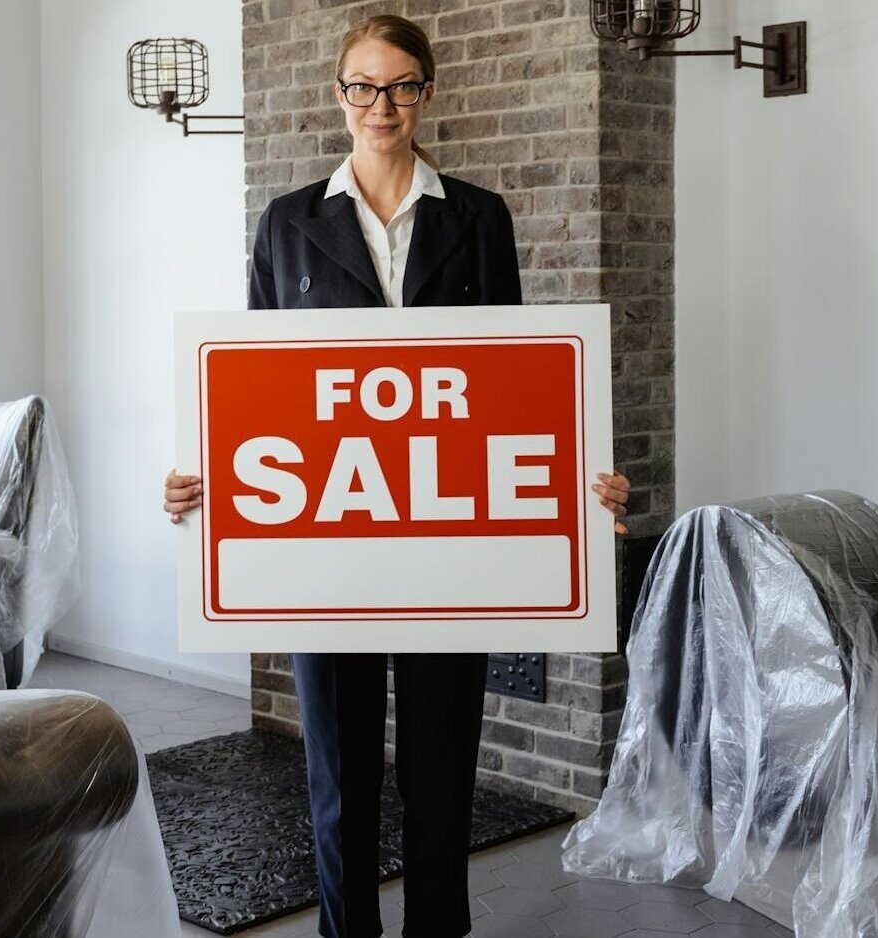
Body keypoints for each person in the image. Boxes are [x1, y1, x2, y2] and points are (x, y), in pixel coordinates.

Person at [162, 15, 630, 938]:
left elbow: (516, 381)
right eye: (364, 86)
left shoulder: (478, 216)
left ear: (427, 92)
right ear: (338, 95)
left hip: (443, 544)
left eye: (403, 85)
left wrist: (581, 479)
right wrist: (202, 479)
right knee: (336, 776)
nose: (383, 106)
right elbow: (259, 387)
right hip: (328, 547)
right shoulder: (287, 222)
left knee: (439, 771)